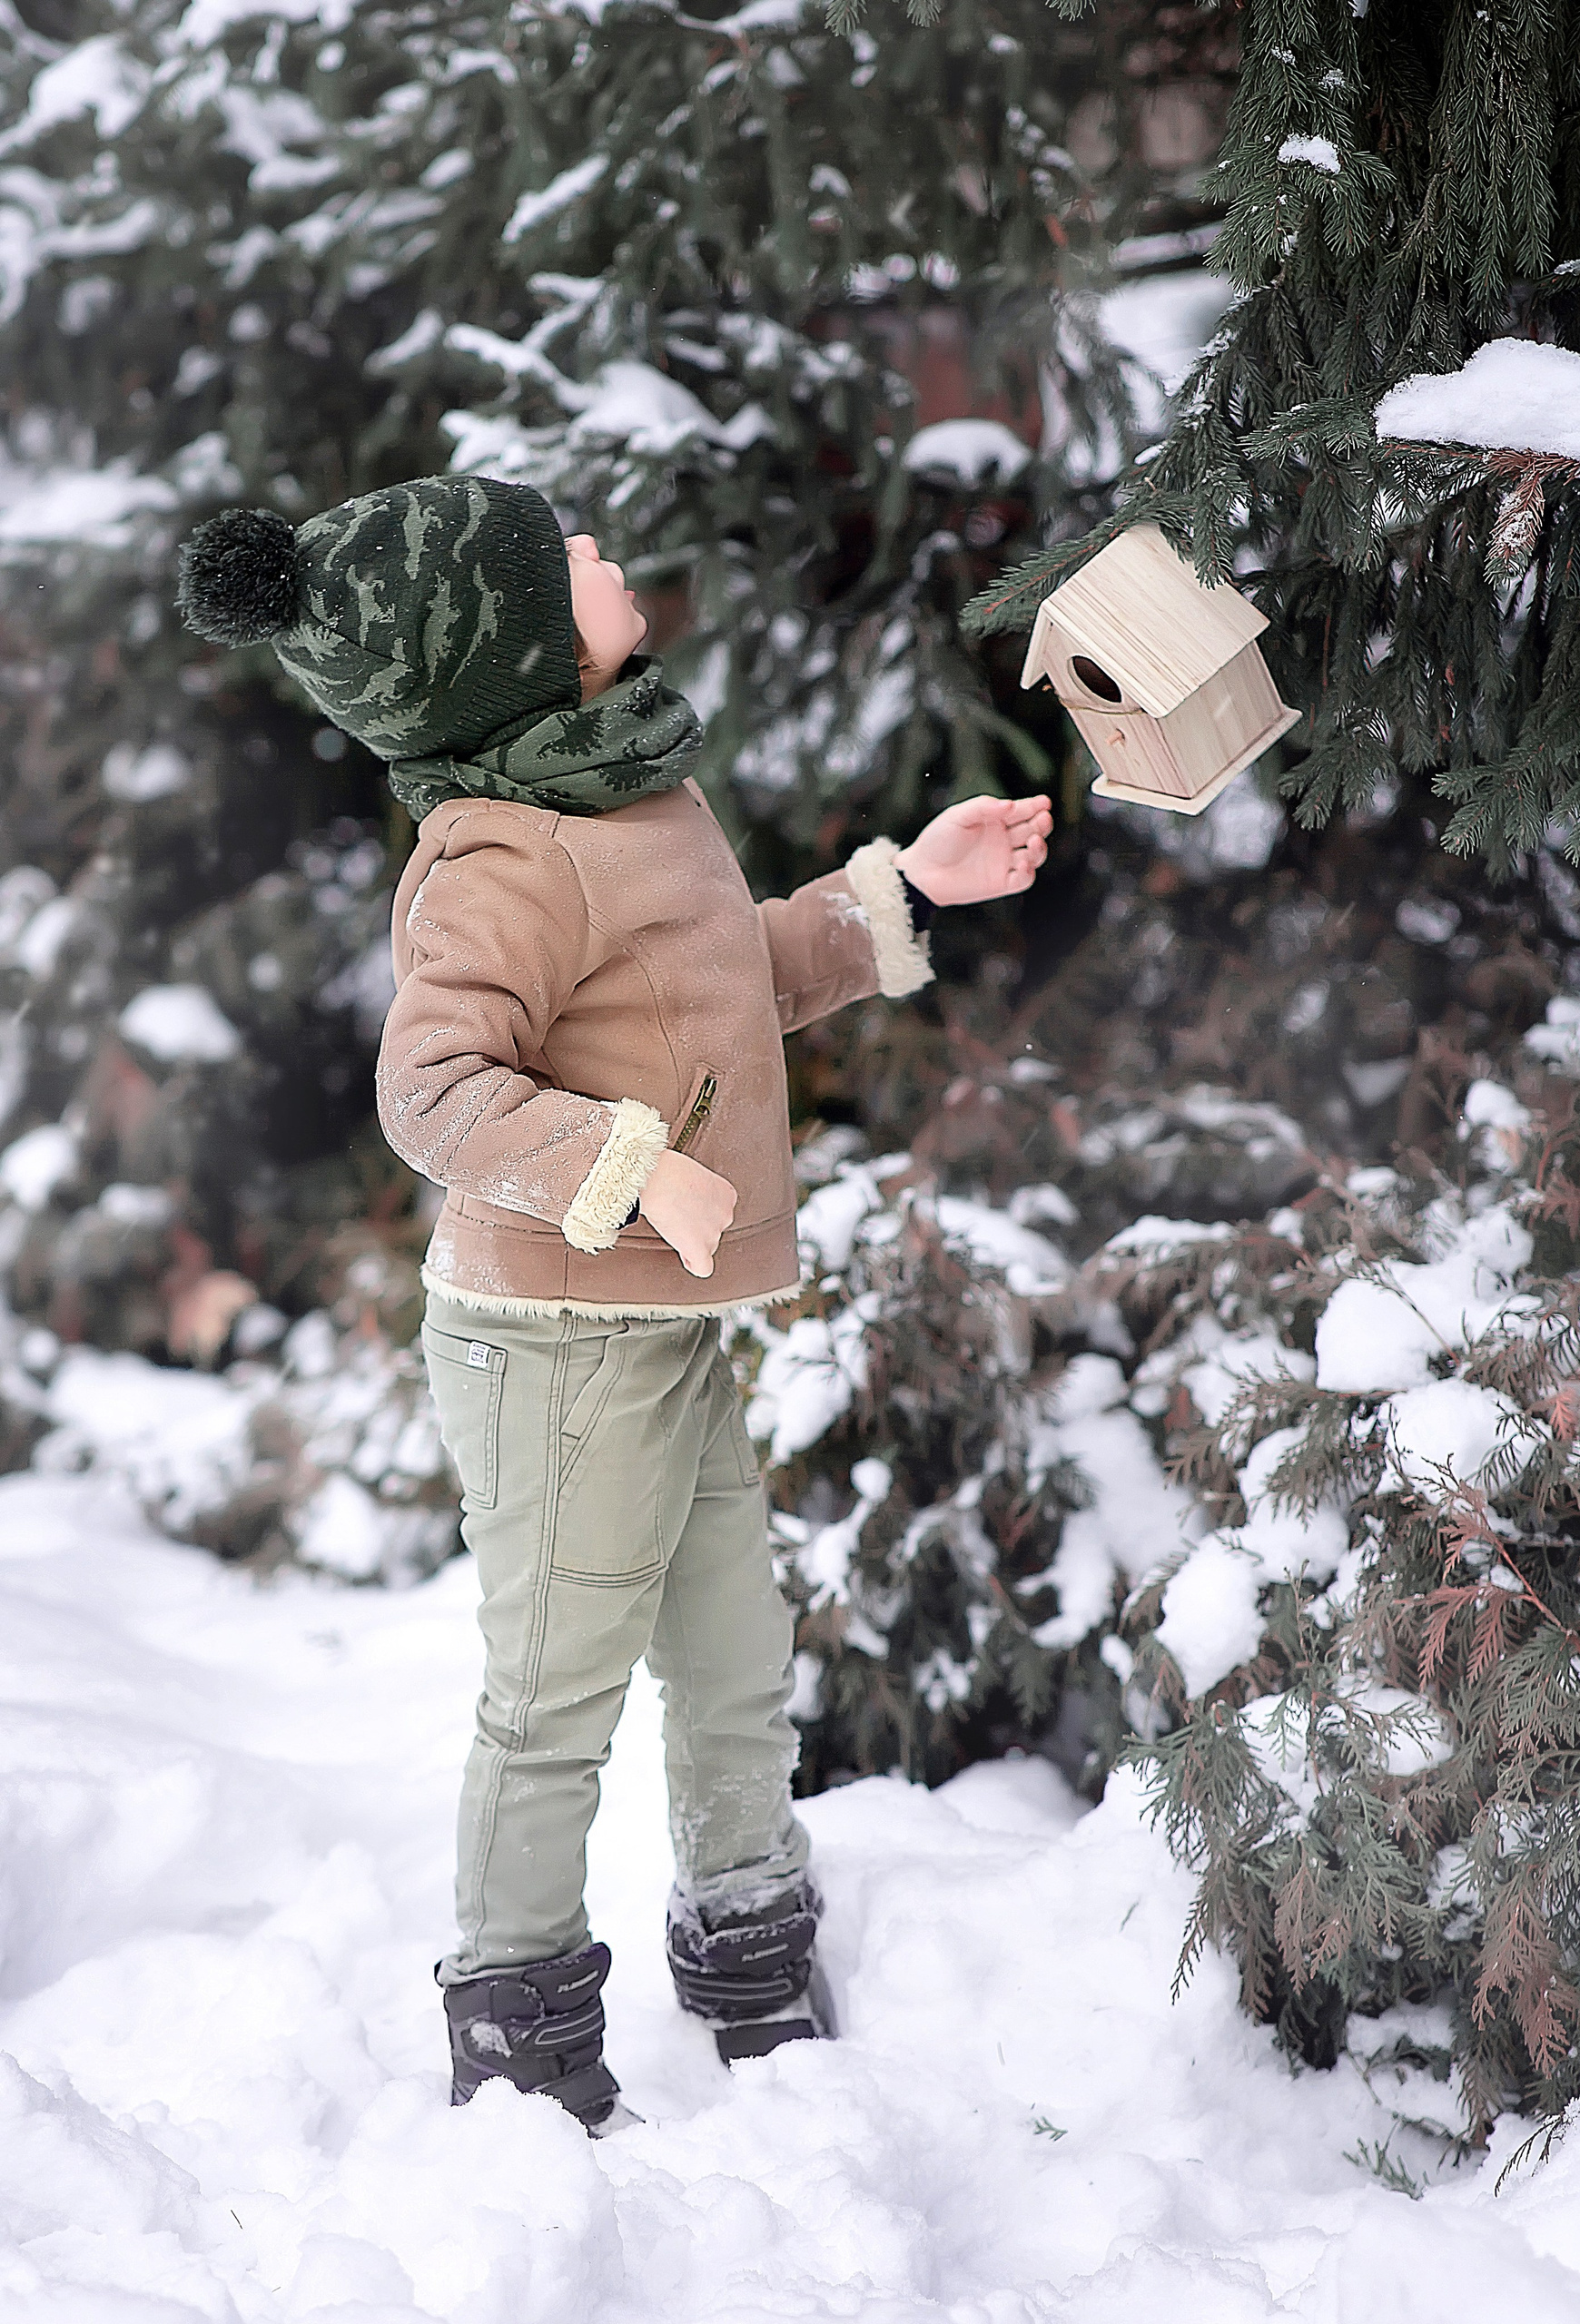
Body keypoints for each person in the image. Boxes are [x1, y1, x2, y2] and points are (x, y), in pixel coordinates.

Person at [177, 478, 1050, 2133]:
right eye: (558, 558)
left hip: (662, 1329)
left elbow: (727, 987)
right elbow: (429, 1089)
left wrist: (906, 895)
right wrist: (627, 1169)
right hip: (551, 1348)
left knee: (733, 1653)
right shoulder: (502, 853)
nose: (601, 557)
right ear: (504, 643)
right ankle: (516, 2029)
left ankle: (748, 1946)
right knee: (555, 1690)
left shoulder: (633, 795)